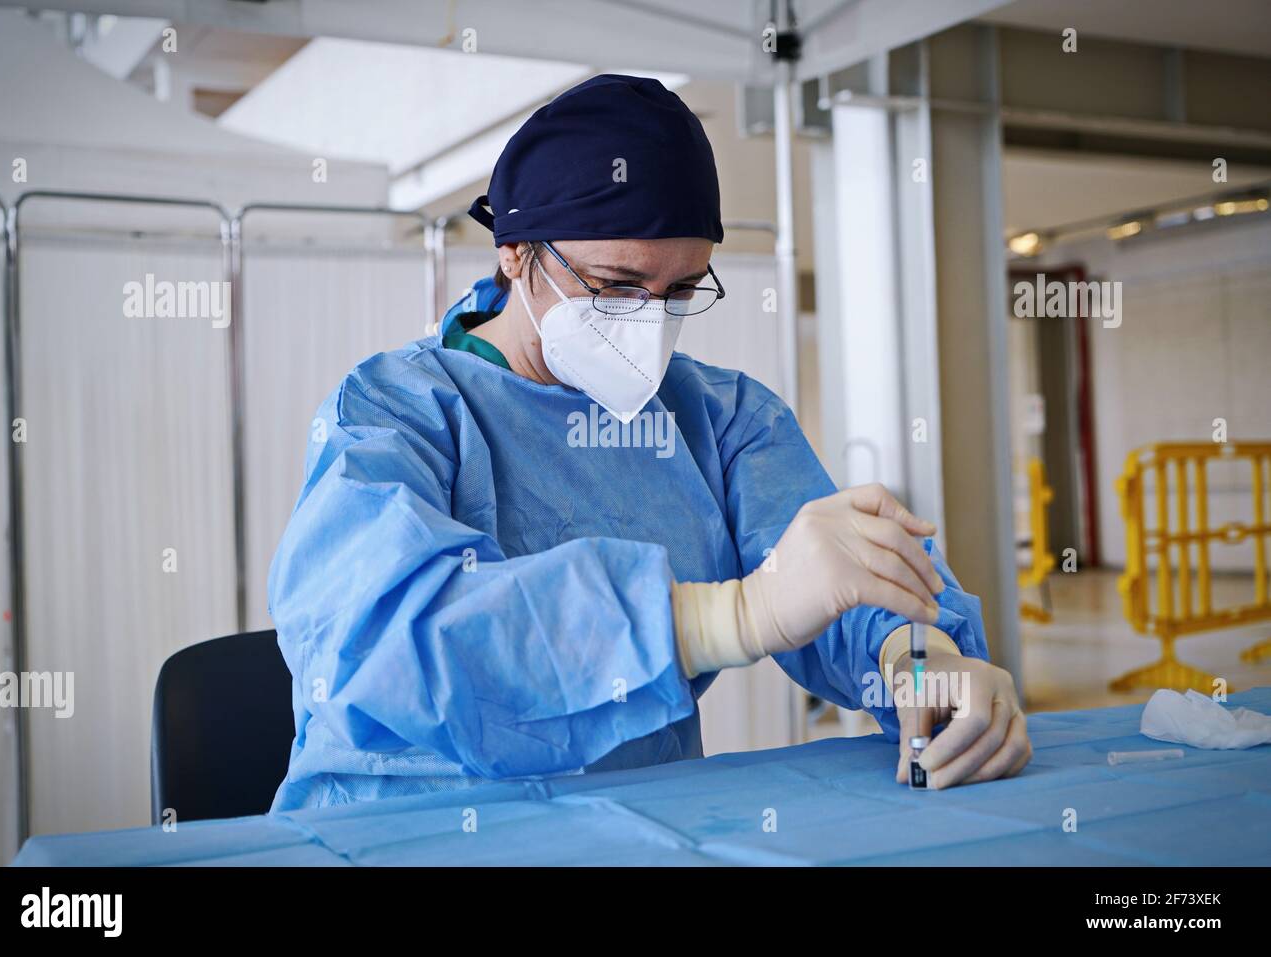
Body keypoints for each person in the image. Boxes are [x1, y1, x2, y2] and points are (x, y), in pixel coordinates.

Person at [267, 74, 1030, 811]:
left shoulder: (720, 419)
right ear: (515, 251)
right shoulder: (394, 411)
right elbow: (385, 643)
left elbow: (840, 581)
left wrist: (918, 660)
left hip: (646, 829)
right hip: (405, 829)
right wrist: (728, 617)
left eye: (681, 292)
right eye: (615, 285)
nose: (647, 320)